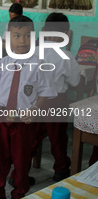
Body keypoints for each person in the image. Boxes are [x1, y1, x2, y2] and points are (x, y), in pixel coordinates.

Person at [0, 16, 57, 199]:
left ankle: (19, 192)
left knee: (21, 159)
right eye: (17, 36)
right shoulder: (4, 63)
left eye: (27, 36)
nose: (22, 41)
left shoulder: (39, 64)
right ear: (9, 38)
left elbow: (45, 91)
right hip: (2, 117)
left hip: (24, 120)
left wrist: (34, 110)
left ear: (33, 37)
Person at [32, 13, 81, 181]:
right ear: (66, 34)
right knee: (58, 138)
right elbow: (75, 82)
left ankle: (18, 173)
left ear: (43, 30)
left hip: (33, 101)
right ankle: (61, 170)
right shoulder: (66, 57)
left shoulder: (31, 53)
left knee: (31, 138)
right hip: (56, 102)